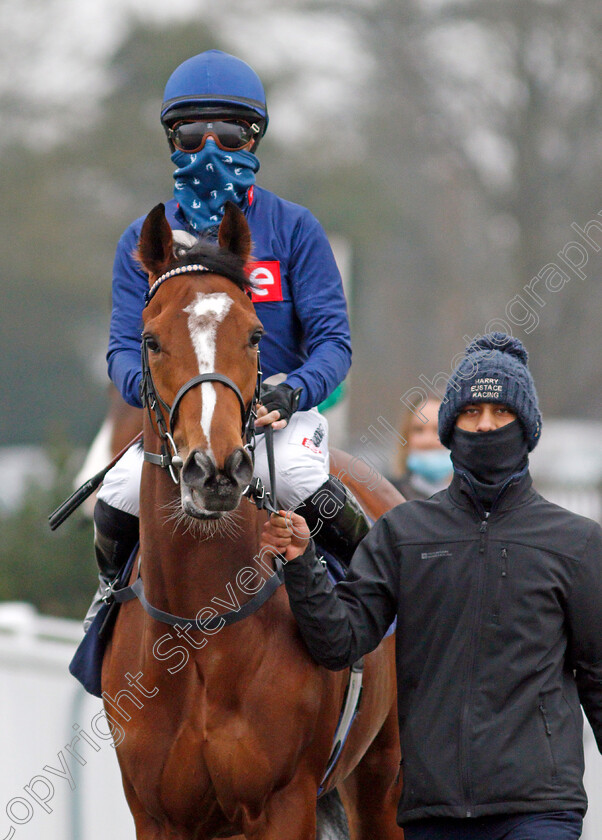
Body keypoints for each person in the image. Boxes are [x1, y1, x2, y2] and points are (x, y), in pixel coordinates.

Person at [262, 333, 602, 840]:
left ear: (526, 425)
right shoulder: (404, 534)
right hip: (434, 814)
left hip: (540, 810)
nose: (484, 424)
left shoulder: (576, 544)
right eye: (470, 412)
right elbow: (341, 641)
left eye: (500, 411)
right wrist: (302, 561)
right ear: (450, 427)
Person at [85, 49, 368, 630]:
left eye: (231, 135)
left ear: (254, 141)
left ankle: (374, 592)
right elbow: (119, 346)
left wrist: (294, 394)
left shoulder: (294, 230)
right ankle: (108, 602)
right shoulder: (143, 240)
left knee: (296, 476)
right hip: (178, 418)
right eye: (192, 133)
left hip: (275, 417)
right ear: (172, 141)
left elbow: (334, 341)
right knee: (116, 493)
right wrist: (150, 390)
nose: (210, 149)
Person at [390, 395, 452, 500]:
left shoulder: (477, 498)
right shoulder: (388, 497)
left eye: (438, 429)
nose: (427, 440)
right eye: (418, 430)